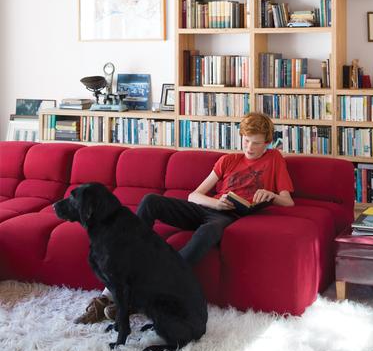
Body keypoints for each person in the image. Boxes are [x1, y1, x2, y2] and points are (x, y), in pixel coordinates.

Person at [74, 112, 294, 324]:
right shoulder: (228, 161)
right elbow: (194, 195)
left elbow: (287, 201)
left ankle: (143, 295)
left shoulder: (274, 160)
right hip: (210, 206)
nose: (249, 148)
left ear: (267, 142)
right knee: (151, 201)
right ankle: (110, 291)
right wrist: (216, 202)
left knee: (209, 231)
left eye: (256, 143)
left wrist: (272, 195)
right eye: (246, 141)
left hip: (229, 216)